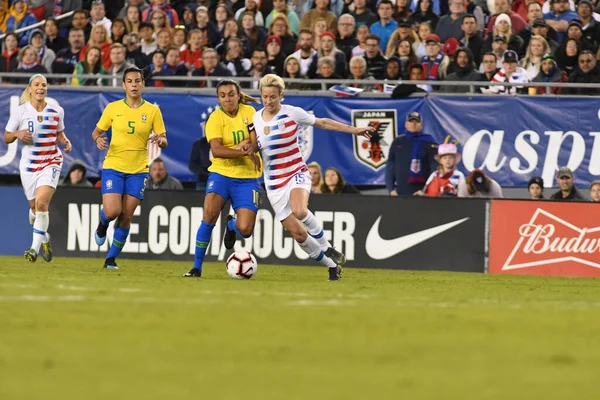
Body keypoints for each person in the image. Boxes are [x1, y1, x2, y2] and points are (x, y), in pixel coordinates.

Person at [249, 74, 374, 281]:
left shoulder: (293, 113)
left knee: (299, 210)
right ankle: (332, 265)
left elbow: (323, 122)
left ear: (282, 95)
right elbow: (256, 145)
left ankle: (328, 247)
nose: (269, 101)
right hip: (273, 183)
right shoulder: (256, 118)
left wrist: (355, 130)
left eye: (273, 97)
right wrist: (248, 149)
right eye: (265, 97)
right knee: (299, 234)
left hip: (296, 172)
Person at [183, 79, 262, 278]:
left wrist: (248, 147)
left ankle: (231, 225)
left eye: (231, 94)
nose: (227, 99)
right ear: (218, 98)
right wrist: (242, 150)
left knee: (245, 230)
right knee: (209, 216)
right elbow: (217, 151)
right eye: (223, 95)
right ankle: (196, 267)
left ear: (238, 95)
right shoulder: (215, 119)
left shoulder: (250, 113)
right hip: (221, 174)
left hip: (247, 177)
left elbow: (256, 143)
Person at [91, 66, 168, 270]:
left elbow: (164, 139)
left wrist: (160, 140)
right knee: (113, 211)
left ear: (143, 84)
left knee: (126, 216)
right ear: (124, 85)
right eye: (130, 81)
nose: (134, 85)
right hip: (114, 165)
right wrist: (98, 139)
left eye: (138, 81)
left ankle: (111, 259)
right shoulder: (113, 108)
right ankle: (102, 223)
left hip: (139, 169)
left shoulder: (153, 110)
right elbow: (96, 132)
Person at [3, 74, 72, 262]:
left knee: (42, 204)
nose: (41, 88)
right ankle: (44, 238)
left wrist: (64, 141)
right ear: (30, 88)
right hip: (29, 167)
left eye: (44, 85)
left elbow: (58, 132)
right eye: (37, 85)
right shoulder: (21, 111)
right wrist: (17, 134)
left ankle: (33, 249)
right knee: (34, 211)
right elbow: (7, 137)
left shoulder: (57, 111)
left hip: (51, 162)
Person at [386, 112, 438, 196]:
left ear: (421, 125)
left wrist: (425, 190)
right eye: (411, 121)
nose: (413, 124)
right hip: (400, 191)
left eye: (416, 121)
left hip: (421, 193)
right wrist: (391, 189)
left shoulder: (429, 142)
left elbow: (434, 169)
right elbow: (390, 166)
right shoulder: (398, 141)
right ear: (406, 124)